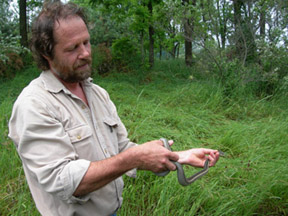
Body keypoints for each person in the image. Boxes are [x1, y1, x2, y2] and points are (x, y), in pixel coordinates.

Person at [8, 2, 220, 216]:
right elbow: (63, 180)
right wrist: (136, 158)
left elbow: (121, 148)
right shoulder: (34, 105)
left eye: (86, 43)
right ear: (47, 54)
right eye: (73, 48)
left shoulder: (98, 94)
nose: (85, 53)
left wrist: (177, 156)